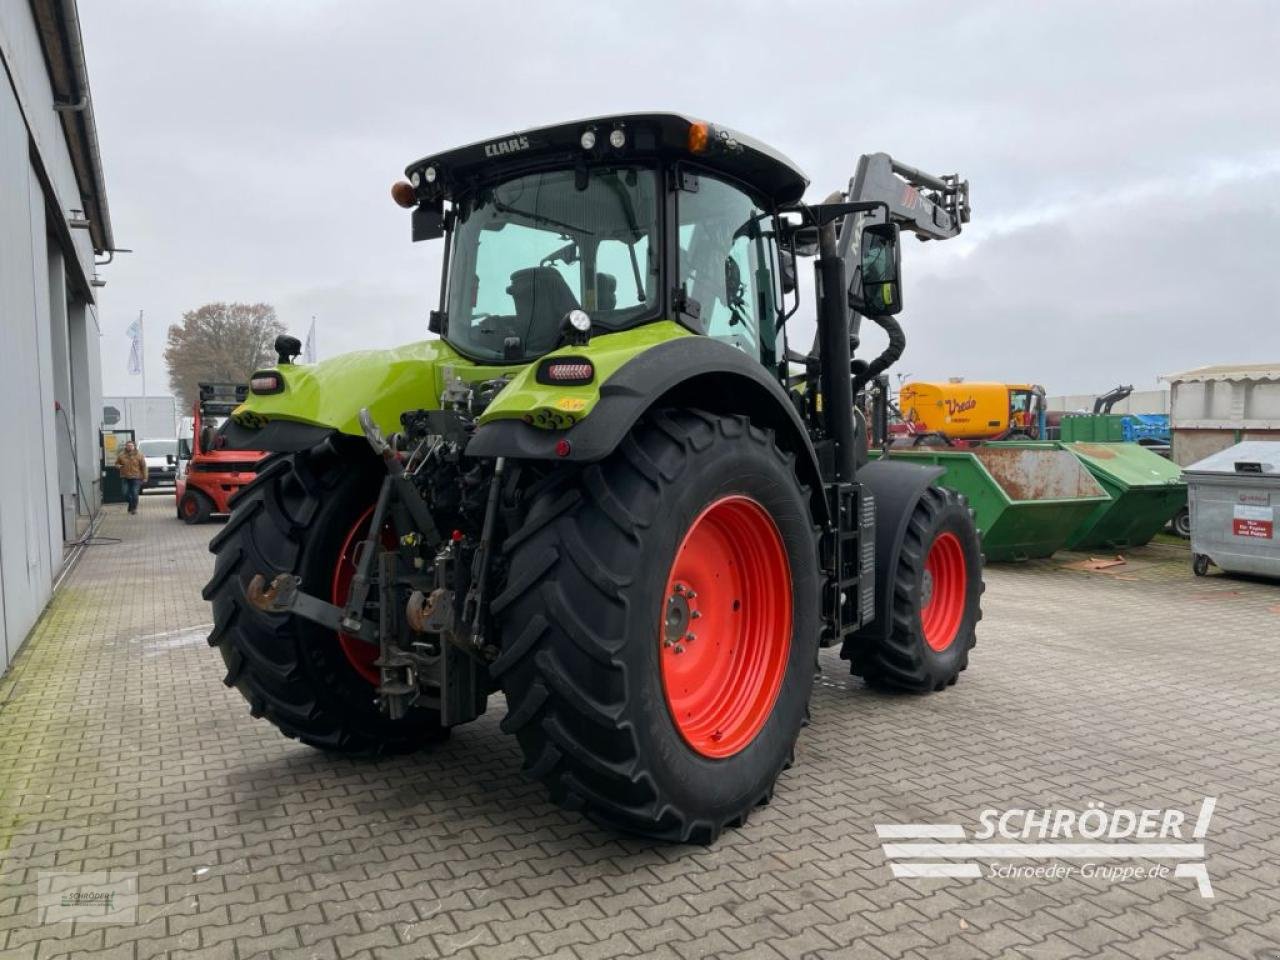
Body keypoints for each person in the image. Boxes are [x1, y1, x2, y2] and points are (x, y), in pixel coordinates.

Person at [115, 440, 147, 515]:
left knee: (135, 493)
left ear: (134, 446)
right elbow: (116, 463)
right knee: (124, 493)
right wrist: (118, 466)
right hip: (125, 477)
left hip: (136, 477)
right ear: (126, 446)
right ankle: (131, 504)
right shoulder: (121, 455)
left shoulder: (139, 455)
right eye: (128, 445)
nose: (129, 447)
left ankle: (134, 509)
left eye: (131, 445)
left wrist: (145, 477)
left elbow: (144, 467)